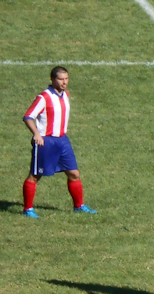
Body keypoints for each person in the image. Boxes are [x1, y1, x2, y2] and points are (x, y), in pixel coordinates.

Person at [21, 66, 96, 218]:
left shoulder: (65, 95)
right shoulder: (44, 97)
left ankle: (79, 206)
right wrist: (36, 134)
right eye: (60, 79)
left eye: (66, 79)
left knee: (74, 173)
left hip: (63, 141)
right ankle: (27, 209)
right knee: (35, 175)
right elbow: (28, 116)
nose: (64, 82)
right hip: (46, 142)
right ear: (52, 79)